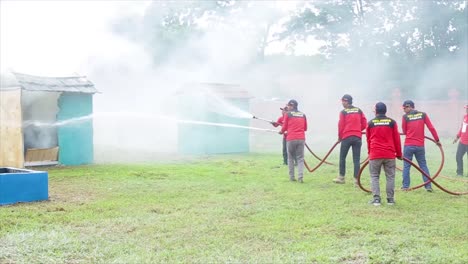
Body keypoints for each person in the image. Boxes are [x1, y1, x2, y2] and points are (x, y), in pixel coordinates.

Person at [366, 102, 402, 206]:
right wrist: (399, 154)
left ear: (376, 110)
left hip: (375, 154)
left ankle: (376, 199)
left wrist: (370, 153)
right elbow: (397, 139)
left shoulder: (370, 123)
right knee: (390, 177)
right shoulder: (392, 122)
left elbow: (368, 140)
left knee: (374, 176)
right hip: (390, 154)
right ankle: (390, 200)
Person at [401, 100, 440, 192]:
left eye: (404, 108)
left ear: (409, 107)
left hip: (409, 145)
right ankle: (428, 186)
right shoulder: (423, 115)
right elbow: (431, 128)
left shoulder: (405, 117)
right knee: (423, 165)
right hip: (420, 146)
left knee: (406, 166)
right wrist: (437, 140)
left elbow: (404, 131)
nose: (403, 110)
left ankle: (405, 186)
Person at [333, 94, 367, 185]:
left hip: (346, 137)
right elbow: (364, 123)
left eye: (343, 101)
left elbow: (341, 125)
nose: (342, 103)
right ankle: (356, 180)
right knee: (356, 159)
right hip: (357, 137)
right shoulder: (359, 110)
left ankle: (341, 177)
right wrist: (358, 130)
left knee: (342, 157)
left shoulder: (343, 112)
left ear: (347, 101)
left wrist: (340, 137)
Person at [279, 99, 307, 183]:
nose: (287, 107)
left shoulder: (288, 114)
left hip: (291, 138)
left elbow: (284, 127)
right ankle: (300, 177)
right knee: (300, 158)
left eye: (289, 105)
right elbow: (305, 128)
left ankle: (292, 177)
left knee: (290, 158)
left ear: (292, 106)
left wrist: (281, 131)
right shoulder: (303, 114)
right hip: (301, 139)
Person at [453, 104, 468, 177]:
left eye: (467, 109)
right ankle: (459, 173)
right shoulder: (465, 117)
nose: (466, 110)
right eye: (466, 109)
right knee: (458, 156)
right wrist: (457, 137)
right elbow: (462, 128)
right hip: (462, 142)